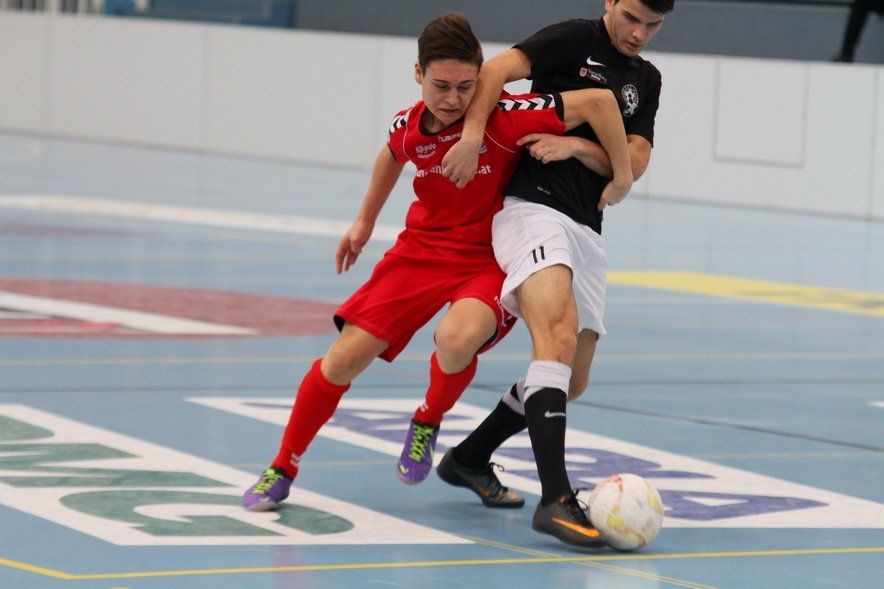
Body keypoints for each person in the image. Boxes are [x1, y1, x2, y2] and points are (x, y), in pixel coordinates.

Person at [242, 13, 634, 512]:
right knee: (341, 359)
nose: (452, 99)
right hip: (420, 252)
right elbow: (391, 155)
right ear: (418, 74)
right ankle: (282, 466)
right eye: (441, 86)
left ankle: (427, 419)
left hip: (488, 257)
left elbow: (599, 102)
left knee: (455, 340)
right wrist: (364, 221)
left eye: (466, 87)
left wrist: (620, 175)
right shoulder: (408, 125)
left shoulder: (509, 116)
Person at [436, 0, 675, 548]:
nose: (639, 33)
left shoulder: (647, 79)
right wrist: (472, 136)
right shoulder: (574, 38)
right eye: (631, 17)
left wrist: (577, 145)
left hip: (587, 226)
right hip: (533, 208)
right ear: (610, 2)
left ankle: (469, 457)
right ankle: (555, 500)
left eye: (653, 25)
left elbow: (634, 162)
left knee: (573, 379)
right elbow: (495, 71)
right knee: (557, 341)